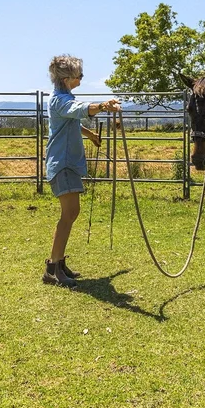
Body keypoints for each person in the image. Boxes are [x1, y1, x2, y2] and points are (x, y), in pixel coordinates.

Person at [44, 55, 120, 287]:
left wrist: (91, 135)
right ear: (67, 79)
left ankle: (57, 263)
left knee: (71, 213)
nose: (81, 79)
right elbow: (78, 110)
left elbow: (73, 120)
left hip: (67, 163)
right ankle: (53, 269)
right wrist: (103, 105)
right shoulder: (60, 100)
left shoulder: (63, 98)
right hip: (63, 163)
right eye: (80, 75)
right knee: (69, 214)